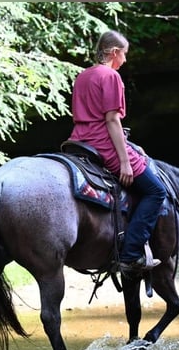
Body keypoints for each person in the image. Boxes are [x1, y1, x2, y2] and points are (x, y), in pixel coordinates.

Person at [69, 30, 167, 274]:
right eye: (124, 54)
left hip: (78, 141)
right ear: (114, 53)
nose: (125, 60)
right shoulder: (111, 76)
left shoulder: (83, 76)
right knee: (156, 191)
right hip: (103, 143)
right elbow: (112, 120)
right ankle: (131, 254)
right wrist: (125, 161)